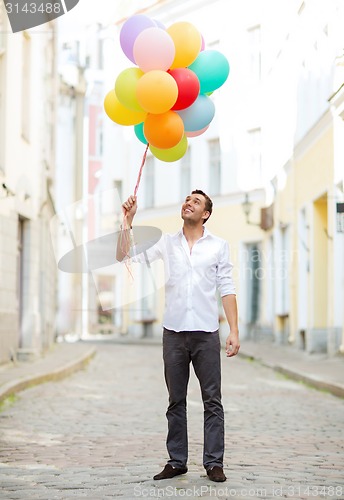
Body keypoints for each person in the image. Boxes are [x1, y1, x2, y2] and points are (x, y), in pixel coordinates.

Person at [117, 189, 240, 483]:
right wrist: (127, 222)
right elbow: (124, 254)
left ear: (206, 214)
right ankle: (177, 461)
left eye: (196, 201)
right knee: (176, 400)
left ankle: (214, 463)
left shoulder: (218, 246)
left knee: (212, 400)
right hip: (173, 333)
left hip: (206, 333)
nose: (188, 203)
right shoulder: (166, 243)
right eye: (187, 199)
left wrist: (233, 330)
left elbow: (227, 287)